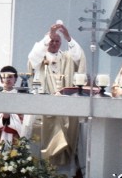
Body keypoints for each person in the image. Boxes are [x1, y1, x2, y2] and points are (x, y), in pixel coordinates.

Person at [27, 22, 86, 169]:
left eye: (57, 41)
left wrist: (68, 37)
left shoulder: (67, 57)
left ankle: (62, 173)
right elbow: (32, 56)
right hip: (43, 107)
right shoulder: (40, 58)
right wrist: (48, 35)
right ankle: (40, 171)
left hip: (65, 108)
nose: (54, 43)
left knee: (67, 133)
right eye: (51, 41)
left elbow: (79, 57)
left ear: (61, 43)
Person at [0, 66, 24, 146]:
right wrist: (3, 117)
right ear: (1, 79)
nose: (7, 79)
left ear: (15, 79)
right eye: (4, 77)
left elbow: (22, 115)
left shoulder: (20, 95)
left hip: (15, 129)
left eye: (10, 77)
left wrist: (9, 117)